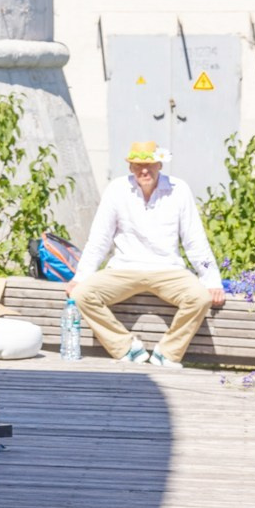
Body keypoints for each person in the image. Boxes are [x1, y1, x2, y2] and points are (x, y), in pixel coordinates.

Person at [73, 141, 228, 366]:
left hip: (168, 270)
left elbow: (194, 240)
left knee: (200, 297)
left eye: (149, 165)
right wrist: (81, 276)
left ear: (160, 165)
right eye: (138, 165)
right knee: (81, 294)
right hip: (124, 268)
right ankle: (127, 347)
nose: (144, 170)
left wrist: (211, 279)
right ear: (130, 167)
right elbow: (99, 239)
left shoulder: (179, 189)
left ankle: (167, 353)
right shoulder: (116, 189)